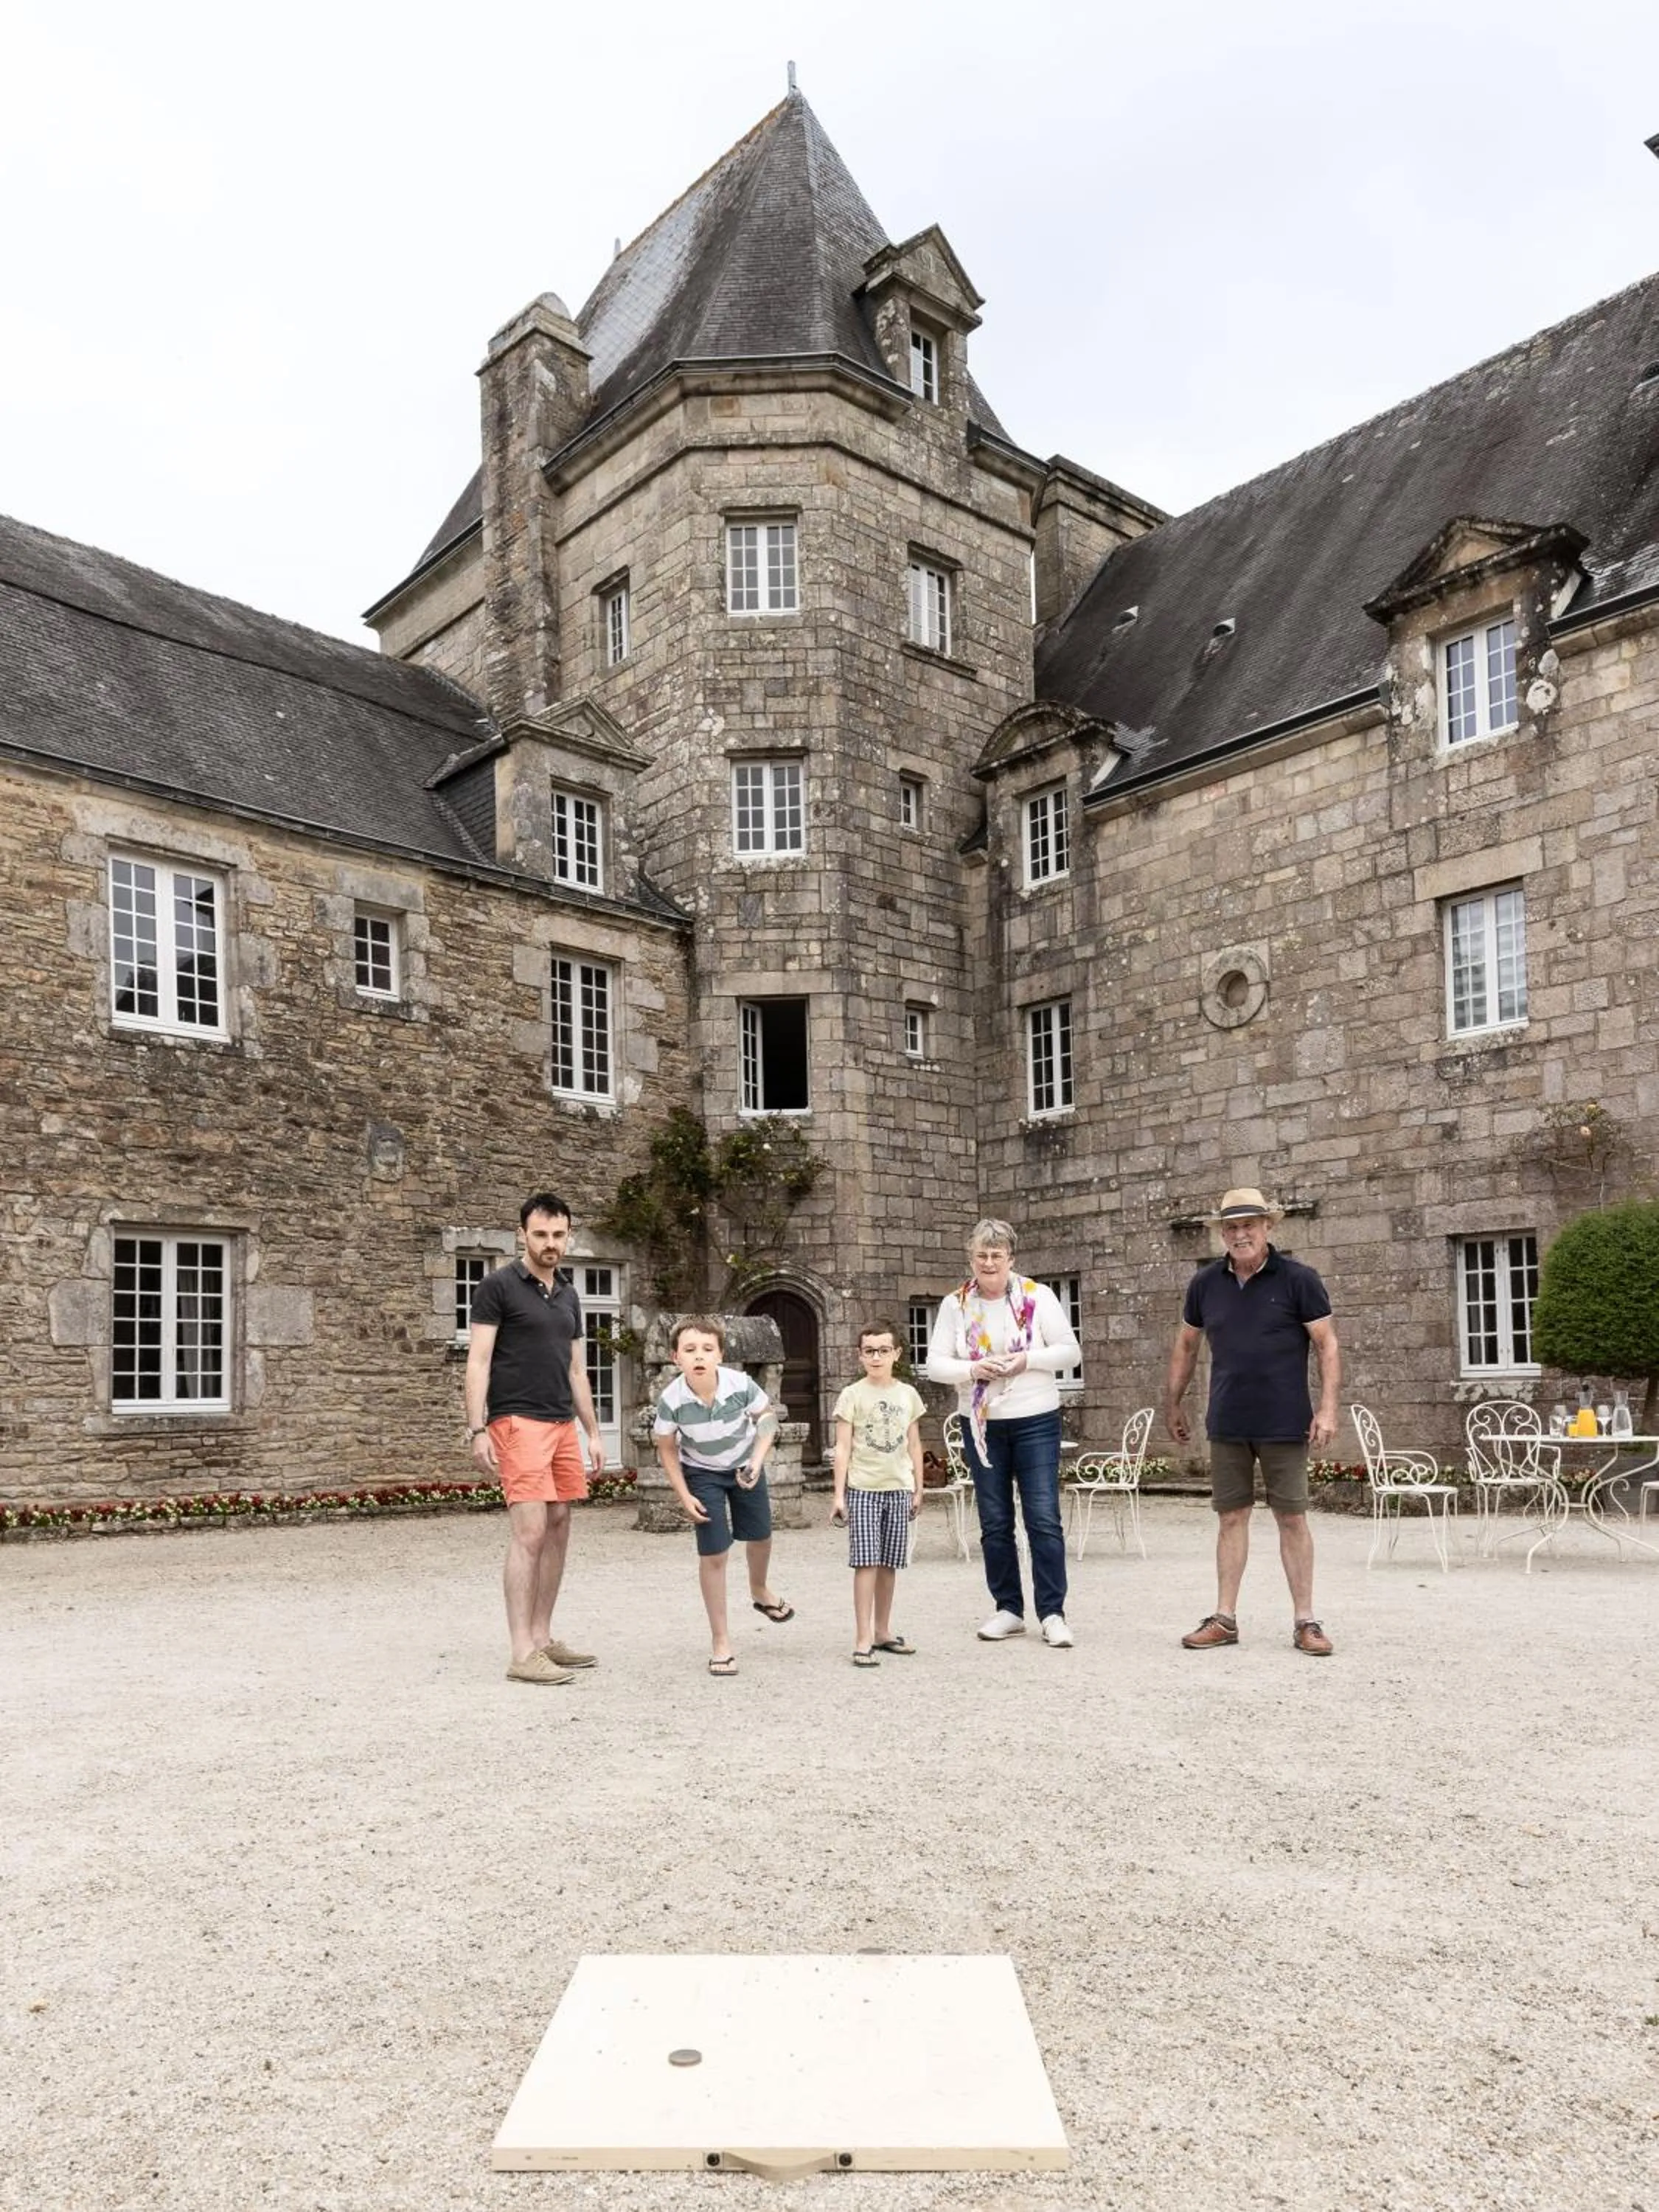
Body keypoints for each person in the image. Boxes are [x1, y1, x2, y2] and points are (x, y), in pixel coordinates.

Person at [1164, 1186, 1341, 1658]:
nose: (1240, 1234)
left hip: (1285, 1421)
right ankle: (1224, 1619)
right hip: (1227, 1419)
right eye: (1232, 1227)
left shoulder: (1299, 1279)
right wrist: (1174, 1403)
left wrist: (1327, 1409)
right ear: (1222, 1233)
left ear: (1268, 1228)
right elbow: (1186, 1346)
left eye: (1249, 1225)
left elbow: (1327, 1345)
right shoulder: (1205, 1284)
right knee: (1231, 1517)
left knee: (1292, 1518)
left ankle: (1306, 1621)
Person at [466, 1192, 605, 1686]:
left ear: (569, 1234)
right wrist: (478, 1427)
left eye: (559, 1235)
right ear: (521, 1234)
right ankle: (521, 1651)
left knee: (560, 1521)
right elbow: (478, 1361)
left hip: (561, 1422)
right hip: (515, 1421)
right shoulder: (496, 1287)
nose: (551, 1244)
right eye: (541, 1234)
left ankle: (543, 1638)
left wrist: (592, 1431)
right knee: (529, 1532)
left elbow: (575, 1368)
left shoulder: (568, 1293)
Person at [926, 1219, 1081, 1646]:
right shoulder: (954, 1305)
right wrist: (972, 1368)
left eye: (997, 1255)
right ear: (971, 1259)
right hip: (981, 1424)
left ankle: (1052, 1613)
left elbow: (1070, 1351)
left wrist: (1025, 1361)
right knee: (995, 1521)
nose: (989, 1262)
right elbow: (936, 1363)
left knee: (1043, 1518)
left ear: (1011, 1258)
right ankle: (1008, 1609)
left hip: (1035, 1418)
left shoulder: (1039, 1296)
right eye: (981, 1255)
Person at [653, 1317, 792, 1676]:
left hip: (745, 1464)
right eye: (690, 1350)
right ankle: (721, 1643)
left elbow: (767, 1419)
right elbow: (667, 1449)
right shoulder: (672, 1400)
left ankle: (760, 1590)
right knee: (714, 1553)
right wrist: (683, 1495)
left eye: (707, 1349)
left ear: (721, 1355)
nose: (699, 1356)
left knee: (760, 1535)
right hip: (702, 1474)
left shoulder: (740, 1384)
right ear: (676, 1358)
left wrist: (758, 1462)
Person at [830, 1321, 926, 1667]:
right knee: (866, 1562)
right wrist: (839, 1495)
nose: (876, 1356)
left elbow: (914, 1443)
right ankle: (862, 1636)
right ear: (860, 1355)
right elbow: (842, 1448)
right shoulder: (852, 1395)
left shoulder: (907, 1395)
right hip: (863, 1489)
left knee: (889, 1564)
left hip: (898, 1488)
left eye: (883, 1350)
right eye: (869, 1350)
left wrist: (919, 1486)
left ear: (896, 1354)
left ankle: (883, 1630)